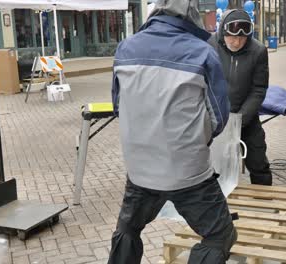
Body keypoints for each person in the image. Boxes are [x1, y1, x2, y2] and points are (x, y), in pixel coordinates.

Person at [108, 0, 237, 263]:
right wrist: (193, 139)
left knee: (127, 230)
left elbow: (118, 106)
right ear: (192, 15)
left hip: (140, 170)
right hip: (188, 172)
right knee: (220, 235)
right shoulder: (202, 52)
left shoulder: (125, 48)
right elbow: (220, 117)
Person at [209, 9, 272, 186]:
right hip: (215, 118)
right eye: (232, 37)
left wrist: (239, 120)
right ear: (223, 32)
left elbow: (259, 88)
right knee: (211, 165)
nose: (236, 42)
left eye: (242, 38)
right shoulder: (209, 45)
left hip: (245, 118)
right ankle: (216, 205)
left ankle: (264, 202)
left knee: (258, 161)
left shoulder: (258, 51)